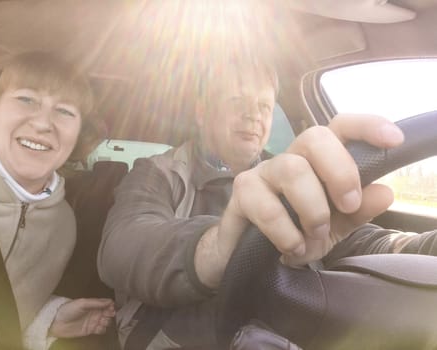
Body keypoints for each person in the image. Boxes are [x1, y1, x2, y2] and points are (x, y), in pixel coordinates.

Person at [97, 53, 422, 349]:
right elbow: (122, 246)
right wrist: (222, 246)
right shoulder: (158, 171)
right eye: (237, 101)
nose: (253, 115)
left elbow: (348, 237)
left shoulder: (290, 174)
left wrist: (414, 248)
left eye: (264, 106)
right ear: (202, 112)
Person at [0, 51, 115, 349]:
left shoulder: (64, 226)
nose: (43, 123)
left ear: (77, 134)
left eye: (64, 111)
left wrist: (48, 317)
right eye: (26, 99)